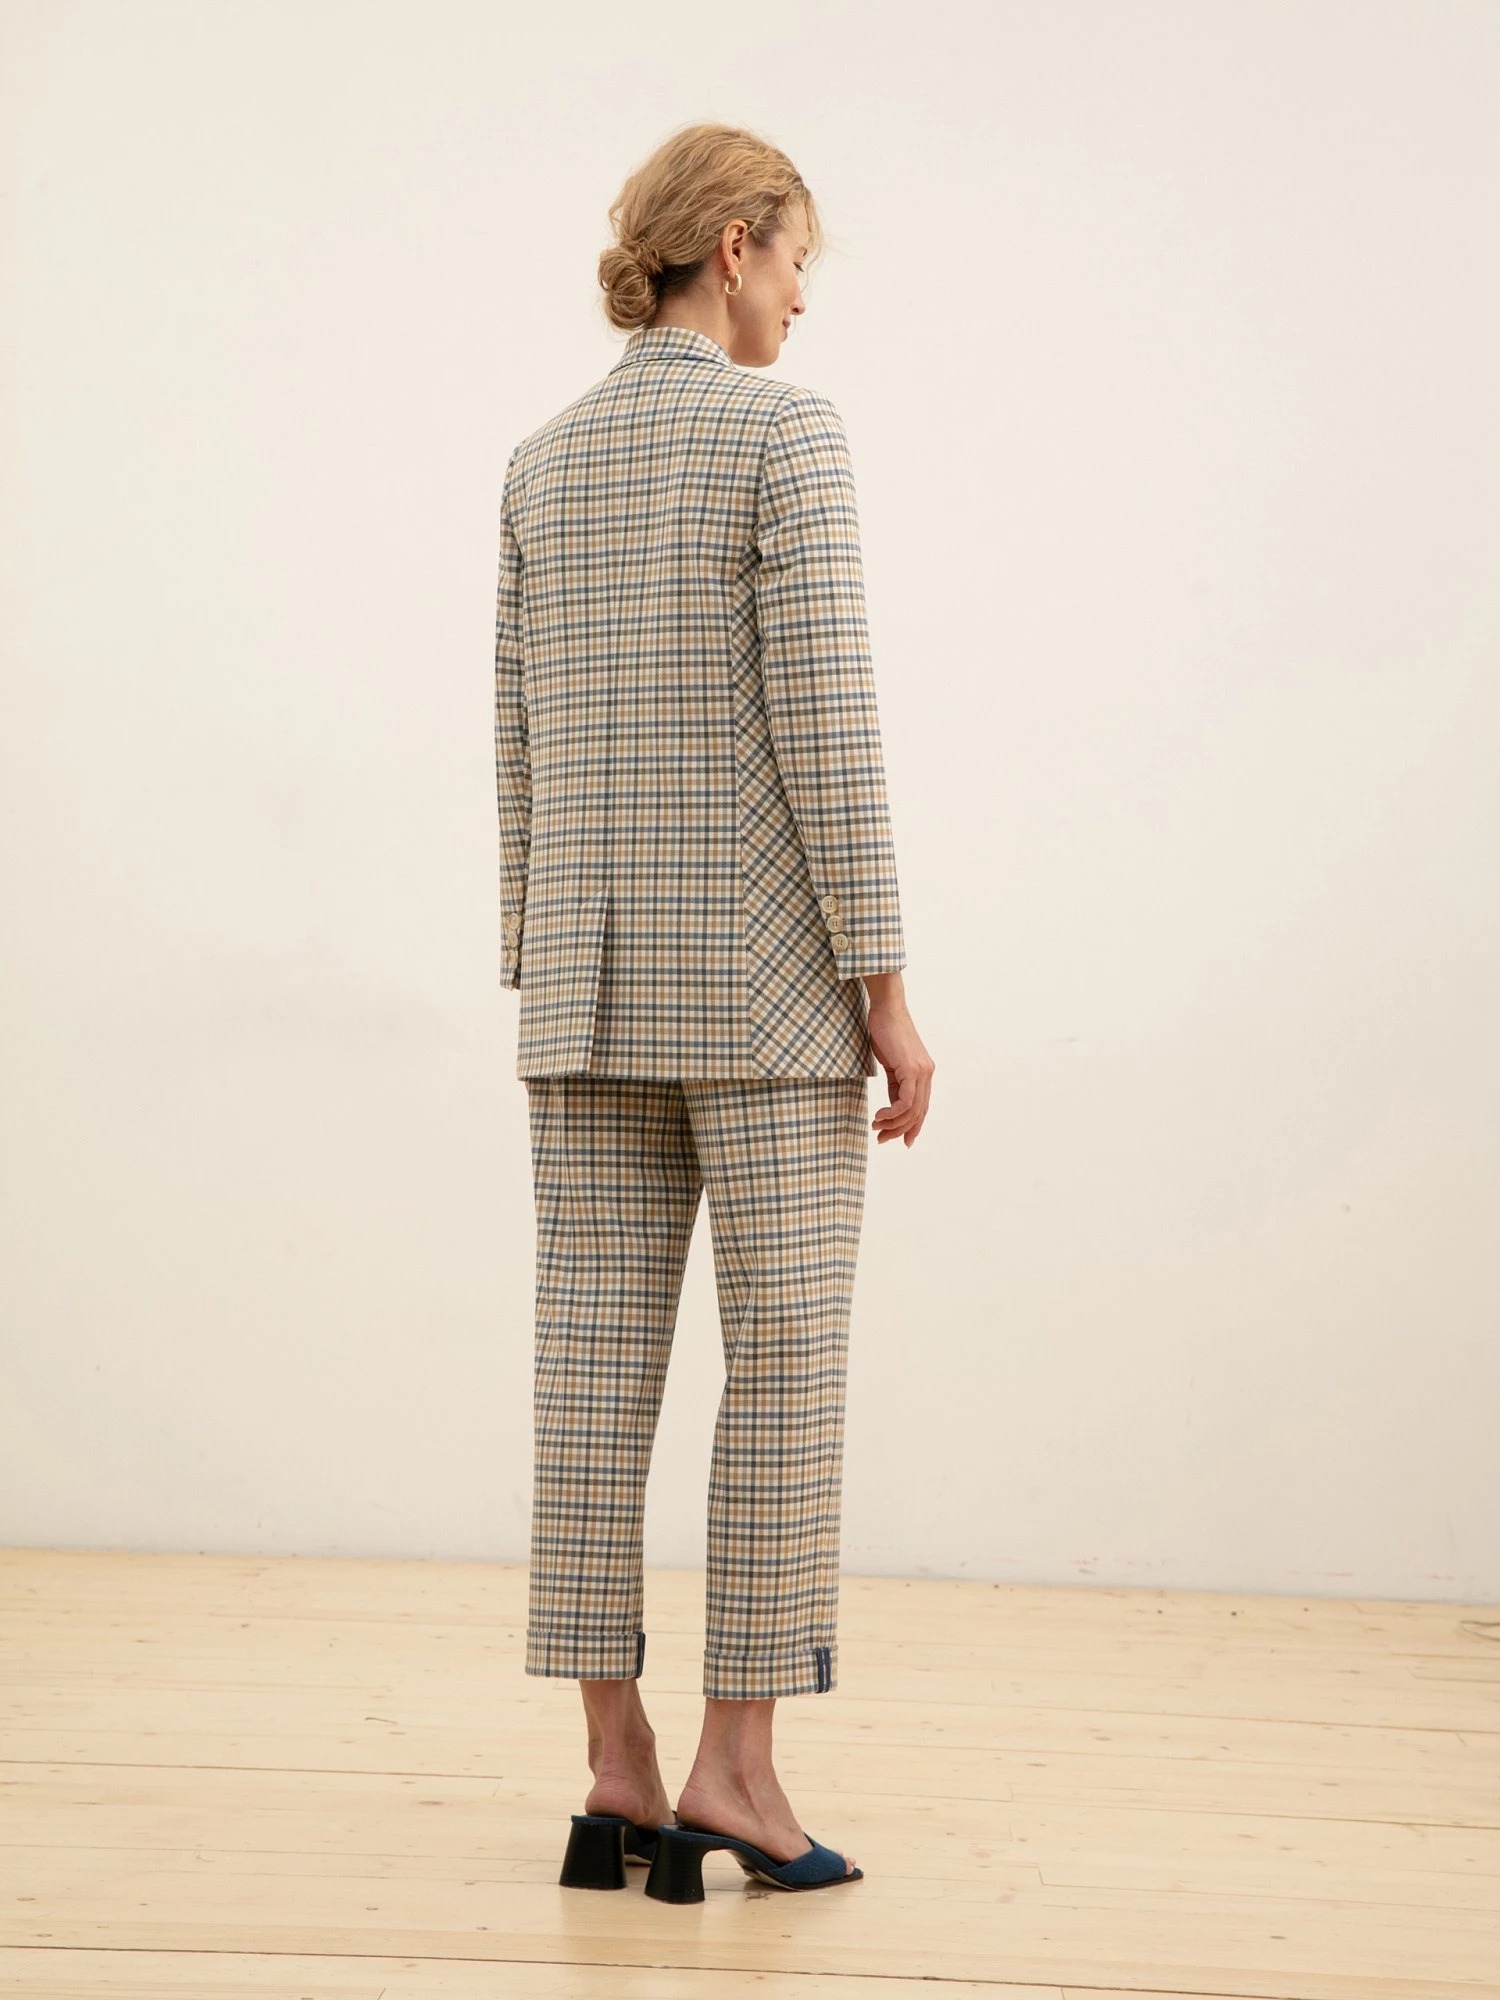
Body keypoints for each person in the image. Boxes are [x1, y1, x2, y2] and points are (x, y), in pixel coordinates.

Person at [493, 121, 934, 1898]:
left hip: (584, 991)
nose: (804, 298)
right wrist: (885, 986)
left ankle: (615, 1766)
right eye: (800, 257)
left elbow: (518, 747)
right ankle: (736, 1776)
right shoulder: (784, 435)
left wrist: (540, 963)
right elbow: (829, 721)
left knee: (589, 1372)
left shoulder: (541, 461)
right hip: (764, 994)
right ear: (735, 245)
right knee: (785, 1368)